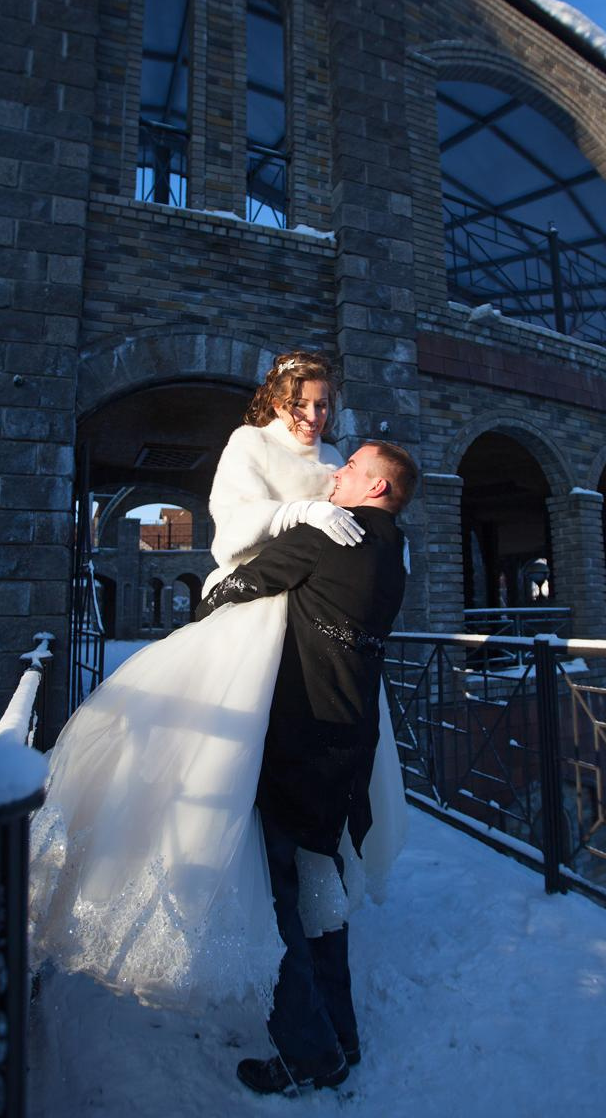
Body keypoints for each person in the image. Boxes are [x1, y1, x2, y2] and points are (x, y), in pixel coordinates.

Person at [28, 352, 407, 1014]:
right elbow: (229, 538)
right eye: (304, 404)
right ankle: (303, 993)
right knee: (221, 774)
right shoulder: (248, 445)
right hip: (257, 621)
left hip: (312, 649)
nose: (316, 418)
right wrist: (298, 513)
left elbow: (359, 551)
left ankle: (304, 1010)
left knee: (297, 828)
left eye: (325, 405)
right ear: (280, 400)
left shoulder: (342, 463)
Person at [198, 440, 418, 1096]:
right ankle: (341, 1033)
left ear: (376, 488)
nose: (336, 470)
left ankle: (309, 1050)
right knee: (323, 896)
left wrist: (216, 593)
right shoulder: (392, 552)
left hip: (301, 748)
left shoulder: (326, 542)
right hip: (350, 749)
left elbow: (233, 589)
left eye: (351, 466)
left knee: (283, 906)